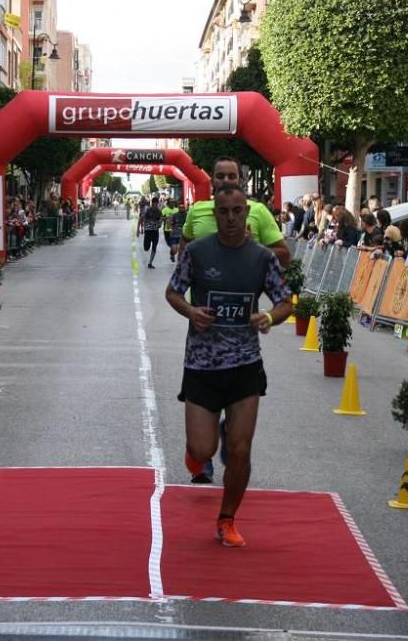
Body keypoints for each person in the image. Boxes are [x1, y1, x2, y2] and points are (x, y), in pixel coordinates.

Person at [165, 184, 292, 548]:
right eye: (224, 212)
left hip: (245, 365)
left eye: (238, 211)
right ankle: (200, 448)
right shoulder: (199, 253)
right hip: (202, 365)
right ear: (215, 213)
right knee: (203, 451)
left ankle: (227, 518)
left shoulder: (261, 258)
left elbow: (285, 301)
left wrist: (268, 316)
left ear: (246, 212)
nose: (232, 218)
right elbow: (173, 291)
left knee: (240, 449)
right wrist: (191, 311)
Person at [180, 157, 290, 267]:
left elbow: (285, 257)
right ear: (212, 181)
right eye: (220, 176)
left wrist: (254, 248)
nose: (226, 180)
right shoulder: (196, 210)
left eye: (232, 176)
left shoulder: (259, 210)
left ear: (240, 180)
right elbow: (184, 245)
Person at [142, 196, 163, 268]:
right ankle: (146, 247)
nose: (156, 205)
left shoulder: (159, 211)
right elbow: (144, 218)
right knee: (146, 248)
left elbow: (161, 220)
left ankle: (150, 263)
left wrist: (159, 224)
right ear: (152, 203)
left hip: (155, 231)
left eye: (157, 203)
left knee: (154, 247)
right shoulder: (148, 210)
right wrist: (143, 228)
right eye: (155, 203)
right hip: (148, 231)